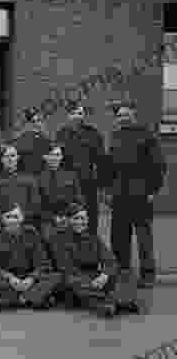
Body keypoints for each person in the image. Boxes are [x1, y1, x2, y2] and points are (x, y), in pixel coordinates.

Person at [104, 99, 166, 288]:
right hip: (119, 194)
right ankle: (123, 273)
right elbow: (109, 167)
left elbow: (159, 165)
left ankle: (147, 276)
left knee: (144, 237)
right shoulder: (114, 136)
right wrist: (108, 191)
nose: (122, 118)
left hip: (141, 193)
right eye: (119, 115)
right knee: (119, 237)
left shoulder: (147, 135)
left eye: (126, 114)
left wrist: (153, 190)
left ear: (133, 113)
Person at [49, 202, 141, 317]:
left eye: (83, 219)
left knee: (127, 274)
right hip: (72, 279)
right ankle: (117, 301)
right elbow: (66, 268)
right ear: (68, 220)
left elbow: (110, 260)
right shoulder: (59, 238)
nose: (80, 222)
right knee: (73, 282)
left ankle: (111, 302)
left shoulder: (93, 238)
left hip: (94, 276)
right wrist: (92, 281)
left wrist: (105, 275)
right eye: (76, 218)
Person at [0, 203, 61, 311]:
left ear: (22, 218)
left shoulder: (31, 233)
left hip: (28, 276)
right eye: (8, 217)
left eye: (16, 217)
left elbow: (43, 262)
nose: (12, 220)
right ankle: (34, 298)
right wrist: (9, 277)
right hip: (5, 278)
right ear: (2, 219)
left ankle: (16, 299)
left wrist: (32, 278)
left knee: (56, 276)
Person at [56, 100, 106, 235]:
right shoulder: (61, 134)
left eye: (80, 113)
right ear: (68, 115)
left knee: (90, 222)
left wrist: (101, 186)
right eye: (74, 113)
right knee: (69, 220)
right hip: (67, 185)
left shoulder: (93, 134)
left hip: (88, 184)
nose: (77, 116)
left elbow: (102, 162)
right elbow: (57, 162)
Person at [0, 144, 41, 229]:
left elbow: (36, 205)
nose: (10, 159)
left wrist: (22, 215)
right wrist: (3, 217)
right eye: (6, 156)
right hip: (0, 224)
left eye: (12, 156)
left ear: (18, 157)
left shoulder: (30, 179)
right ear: (1, 159)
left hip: (25, 223)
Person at [37, 141, 84, 238]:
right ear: (45, 157)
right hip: (47, 221)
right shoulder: (38, 178)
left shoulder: (71, 175)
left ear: (62, 156)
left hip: (69, 218)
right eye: (51, 155)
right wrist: (53, 218)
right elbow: (37, 204)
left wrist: (68, 216)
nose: (55, 158)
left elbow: (78, 199)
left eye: (58, 155)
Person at [14, 106, 51, 175]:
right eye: (35, 121)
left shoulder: (45, 139)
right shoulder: (23, 139)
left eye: (40, 121)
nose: (38, 124)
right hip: (26, 175)